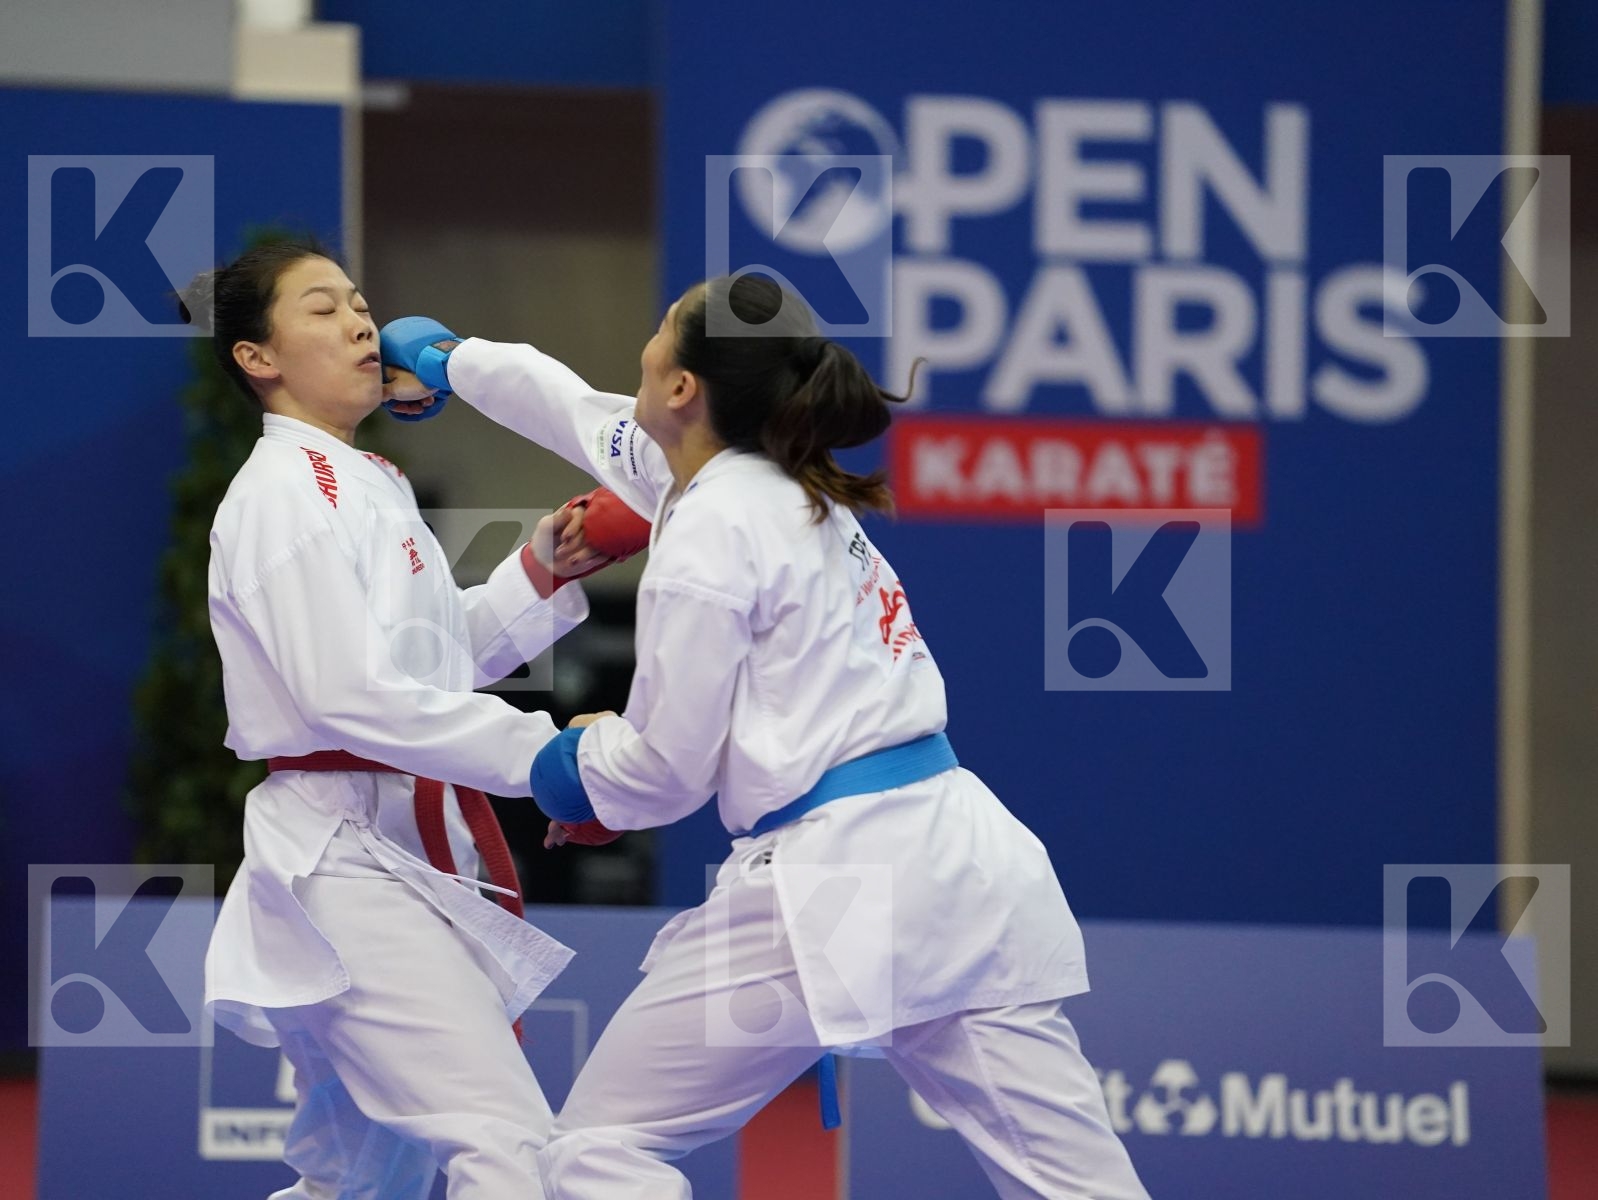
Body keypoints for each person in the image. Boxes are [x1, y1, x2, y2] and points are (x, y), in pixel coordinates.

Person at [379, 273, 1150, 1199]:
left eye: (663, 326)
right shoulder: (765, 483)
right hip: (961, 870)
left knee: (595, 1153)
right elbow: (574, 410)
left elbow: (664, 772)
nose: (648, 334)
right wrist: (453, 361)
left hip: (836, 881)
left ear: (681, 389)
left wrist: (557, 765)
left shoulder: (708, 532)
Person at [196, 240, 644, 1200]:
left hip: (394, 847)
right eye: (322, 309)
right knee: (511, 1152)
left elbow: (427, 667)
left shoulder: (368, 480)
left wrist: (540, 575)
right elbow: (348, 697)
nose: (360, 321)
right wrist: (551, 756)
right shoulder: (284, 491)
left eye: (360, 302)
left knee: (360, 1176)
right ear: (256, 357)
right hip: (347, 860)